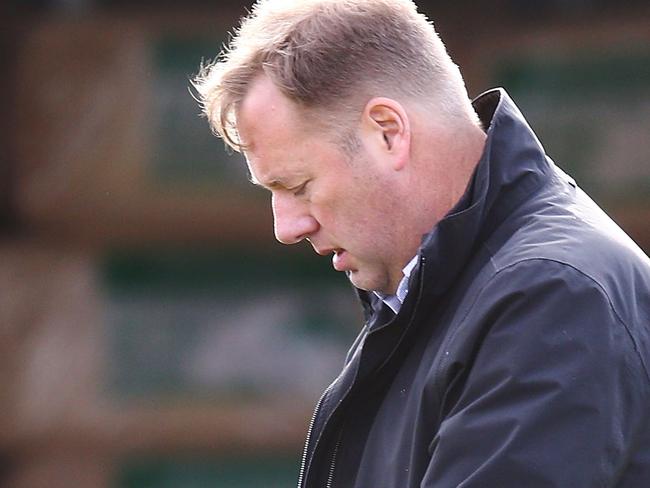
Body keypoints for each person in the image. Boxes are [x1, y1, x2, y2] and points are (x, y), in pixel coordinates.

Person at [193, 0, 650, 486]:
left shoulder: (550, 294)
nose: (286, 228)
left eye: (299, 186)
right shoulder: (446, 292)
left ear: (388, 132)